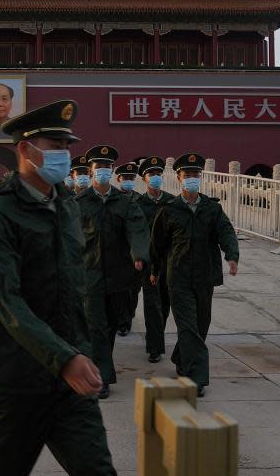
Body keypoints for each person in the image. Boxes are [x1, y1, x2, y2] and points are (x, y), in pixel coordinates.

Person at [0, 100, 117, 475]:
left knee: (98, 470)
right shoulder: (1, 214)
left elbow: (71, 288)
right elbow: (6, 301)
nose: (64, 155)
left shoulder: (66, 204)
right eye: (54, 146)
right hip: (15, 378)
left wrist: (79, 351)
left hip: (68, 382)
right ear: (25, 150)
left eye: (67, 147)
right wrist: (64, 359)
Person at [149, 152, 239, 397]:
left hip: (204, 276)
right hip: (177, 277)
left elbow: (226, 232)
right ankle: (195, 377)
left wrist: (232, 255)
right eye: (187, 175)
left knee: (201, 324)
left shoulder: (211, 208)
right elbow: (157, 244)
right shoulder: (169, 210)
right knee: (188, 326)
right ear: (178, 178)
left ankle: (181, 356)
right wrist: (155, 271)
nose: (191, 179)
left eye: (195, 175)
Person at [75, 145, 149, 399]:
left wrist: (138, 254)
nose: (103, 173)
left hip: (119, 276)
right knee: (96, 326)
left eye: (107, 168)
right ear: (92, 172)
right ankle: (102, 378)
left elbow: (137, 229)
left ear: (112, 171)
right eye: (99, 169)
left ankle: (97, 364)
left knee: (110, 326)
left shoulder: (125, 202)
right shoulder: (79, 202)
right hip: (90, 275)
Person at [134, 156, 176, 363]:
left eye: (159, 174)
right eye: (152, 175)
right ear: (144, 179)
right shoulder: (138, 204)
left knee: (165, 302)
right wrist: (138, 256)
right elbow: (136, 233)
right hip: (149, 261)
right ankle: (155, 346)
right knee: (152, 303)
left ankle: (156, 336)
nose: (156, 178)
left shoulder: (171, 201)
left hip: (169, 261)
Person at [114, 161, 141, 337]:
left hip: (136, 253)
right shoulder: (113, 199)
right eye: (126, 178)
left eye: (132, 178)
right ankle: (122, 322)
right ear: (119, 179)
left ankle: (128, 315)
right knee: (121, 289)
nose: (129, 181)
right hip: (118, 252)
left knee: (134, 289)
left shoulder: (141, 199)